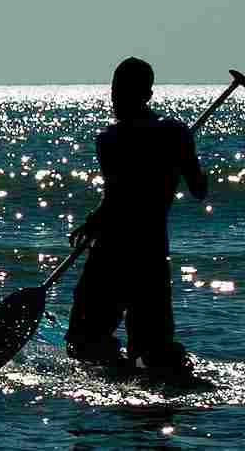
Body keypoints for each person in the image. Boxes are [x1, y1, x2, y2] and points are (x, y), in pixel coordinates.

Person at [65, 57, 209, 378]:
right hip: (150, 254)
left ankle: (120, 379)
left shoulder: (110, 140)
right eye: (116, 92)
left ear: (145, 95)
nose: (116, 100)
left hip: (112, 255)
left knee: (85, 342)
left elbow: (119, 200)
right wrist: (183, 153)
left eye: (121, 92)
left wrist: (94, 221)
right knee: (152, 350)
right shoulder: (175, 133)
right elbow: (198, 189)